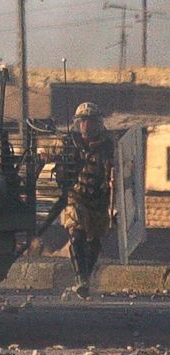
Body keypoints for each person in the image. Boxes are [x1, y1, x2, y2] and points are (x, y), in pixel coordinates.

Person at [43, 102, 115, 299]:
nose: (86, 126)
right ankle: (80, 278)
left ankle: (86, 277)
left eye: (90, 122)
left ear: (98, 123)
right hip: (76, 197)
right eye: (82, 122)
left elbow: (123, 168)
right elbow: (46, 151)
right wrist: (43, 156)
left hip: (99, 200)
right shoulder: (68, 143)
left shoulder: (109, 146)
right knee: (76, 234)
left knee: (94, 240)